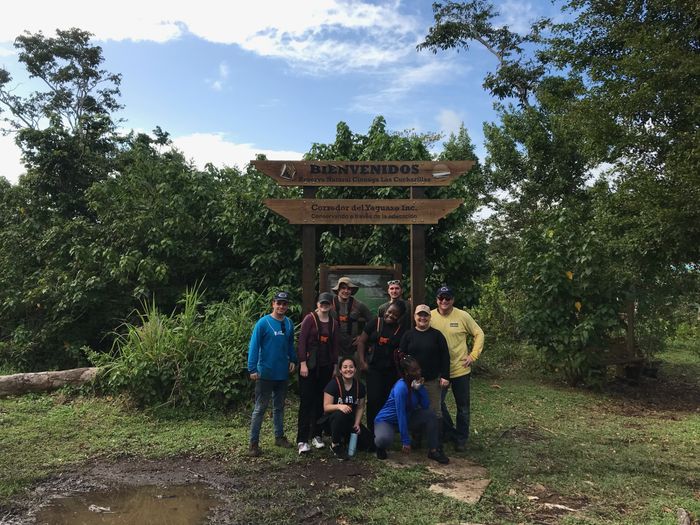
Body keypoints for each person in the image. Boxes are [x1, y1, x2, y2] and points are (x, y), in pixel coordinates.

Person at [430, 285, 484, 452]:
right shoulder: (430, 316)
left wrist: (473, 355)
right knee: (438, 404)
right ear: (436, 300)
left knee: (463, 407)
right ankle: (449, 431)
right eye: (441, 298)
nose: (444, 301)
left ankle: (461, 438)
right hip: (440, 371)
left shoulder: (462, 316)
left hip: (460, 369)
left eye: (448, 298)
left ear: (453, 300)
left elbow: (479, 333)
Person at [247, 291, 297, 457]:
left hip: (282, 373)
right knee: (260, 408)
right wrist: (252, 368)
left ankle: (279, 436)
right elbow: (254, 346)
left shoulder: (289, 323)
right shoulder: (263, 323)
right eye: (278, 303)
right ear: (273, 304)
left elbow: (290, 344)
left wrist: (293, 360)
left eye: (284, 303)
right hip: (265, 373)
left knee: (279, 407)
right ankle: (253, 443)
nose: (281, 306)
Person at [373, 355, 449, 464]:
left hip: (408, 417)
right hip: (387, 420)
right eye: (414, 370)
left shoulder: (416, 384)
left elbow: (425, 405)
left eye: (419, 369)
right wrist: (405, 441)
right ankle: (380, 447)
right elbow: (401, 413)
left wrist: (420, 389)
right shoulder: (401, 388)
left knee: (430, 415)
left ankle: (433, 450)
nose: (418, 372)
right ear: (406, 372)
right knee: (383, 440)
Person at [399, 304, 450, 451]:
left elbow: (445, 356)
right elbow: (401, 357)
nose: (422, 318)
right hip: (413, 382)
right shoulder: (408, 335)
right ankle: (417, 439)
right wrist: (406, 378)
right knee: (416, 409)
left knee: (435, 410)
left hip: (432, 380)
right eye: (419, 315)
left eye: (425, 315)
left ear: (429, 317)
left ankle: (436, 442)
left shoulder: (437, 335)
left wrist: (445, 376)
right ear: (415, 317)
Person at [295, 292, 340, 455]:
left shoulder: (334, 323)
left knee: (322, 402)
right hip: (309, 366)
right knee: (307, 401)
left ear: (331, 305)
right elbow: (301, 343)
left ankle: (317, 434)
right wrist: (302, 364)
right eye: (322, 303)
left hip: (326, 367)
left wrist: (335, 367)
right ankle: (302, 439)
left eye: (327, 303)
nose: (324, 305)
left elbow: (335, 347)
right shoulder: (309, 319)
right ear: (317, 303)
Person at [356, 301, 408, 434]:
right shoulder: (375, 323)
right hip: (373, 369)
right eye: (389, 312)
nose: (390, 315)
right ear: (386, 310)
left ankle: (383, 430)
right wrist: (362, 362)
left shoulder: (401, 330)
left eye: (395, 314)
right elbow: (361, 341)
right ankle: (371, 431)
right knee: (373, 400)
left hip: (390, 371)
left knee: (386, 400)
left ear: (400, 316)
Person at [320, 356, 372, 460]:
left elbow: (360, 407)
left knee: (370, 444)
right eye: (345, 367)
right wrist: (340, 406)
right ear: (340, 370)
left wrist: (357, 423)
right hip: (332, 421)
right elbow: (326, 407)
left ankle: (346, 439)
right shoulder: (333, 384)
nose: (348, 369)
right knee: (340, 414)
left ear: (355, 369)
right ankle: (335, 444)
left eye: (351, 367)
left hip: (350, 420)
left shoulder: (360, 386)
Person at [330, 276, 373, 358]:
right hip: (334, 346)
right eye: (343, 288)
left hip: (353, 346)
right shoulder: (330, 305)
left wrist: (361, 336)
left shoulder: (359, 305)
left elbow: (372, 321)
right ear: (338, 289)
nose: (346, 291)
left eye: (349, 288)